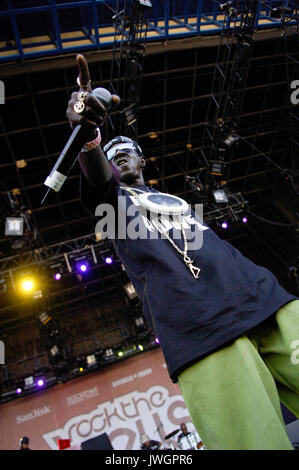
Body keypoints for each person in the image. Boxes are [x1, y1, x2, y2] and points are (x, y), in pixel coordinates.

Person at [65, 54, 299, 450]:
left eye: (129, 148)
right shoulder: (113, 205)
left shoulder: (173, 198)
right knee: (256, 443)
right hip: (202, 326)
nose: (120, 152)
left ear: (143, 159)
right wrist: (88, 136)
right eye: (112, 150)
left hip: (263, 298)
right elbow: (97, 177)